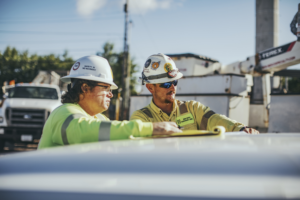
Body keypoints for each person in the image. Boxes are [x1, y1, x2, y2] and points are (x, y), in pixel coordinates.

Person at [38, 55, 181, 149]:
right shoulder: (63, 113)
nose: (111, 94)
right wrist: (151, 129)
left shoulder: (98, 118)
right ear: (85, 88)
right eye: (106, 88)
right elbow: (83, 132)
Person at [130, 53, 259, 134]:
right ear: (150, 88)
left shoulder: (192, 109)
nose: (172, 88)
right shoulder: (141, 118)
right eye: (166, 84)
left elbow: (216, 120)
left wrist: (241, 129)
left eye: (174, 82)